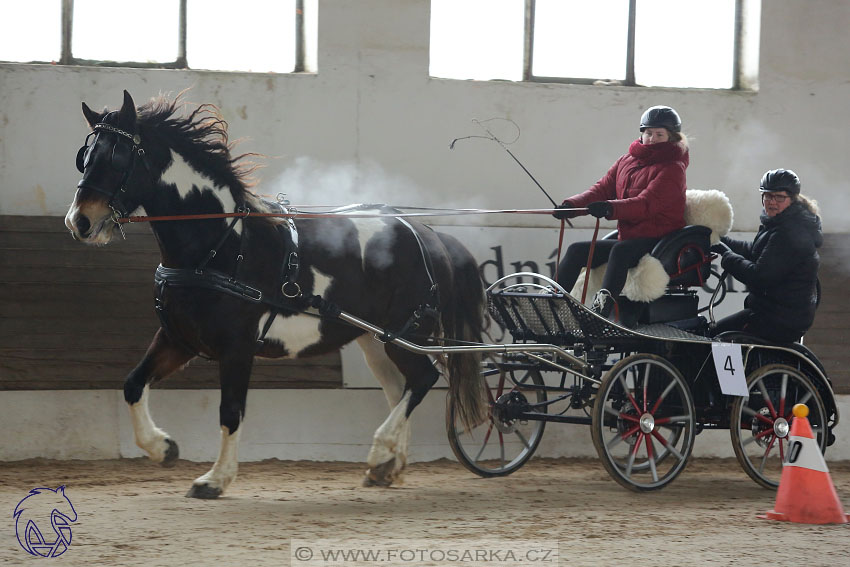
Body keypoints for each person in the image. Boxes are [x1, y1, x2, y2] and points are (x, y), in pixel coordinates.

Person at [553, 105, 689, 318]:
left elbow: (646, 204)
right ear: (641, 134)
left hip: (659, 240)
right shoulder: (626, 161)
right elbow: (601, 190)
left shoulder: (673, 169)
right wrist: (571, 207)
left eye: (659, 134)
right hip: (629, 237)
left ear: (671, 138)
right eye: (648, 133)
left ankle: (600, 311)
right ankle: (554, 302)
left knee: (621, 250)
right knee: (577, 250)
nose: (652, 139)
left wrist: (610, 207)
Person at [712, 169, 822, 343]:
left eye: (779, 197)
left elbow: (759, 276)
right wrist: (720, 240)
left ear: (792, 199)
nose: (772, 202)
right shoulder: (778, 224)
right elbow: (754, 250)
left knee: (715, 337)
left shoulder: (789, 234)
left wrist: (727, 256)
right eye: (768, 196)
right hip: (775, 313)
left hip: (778, 320)